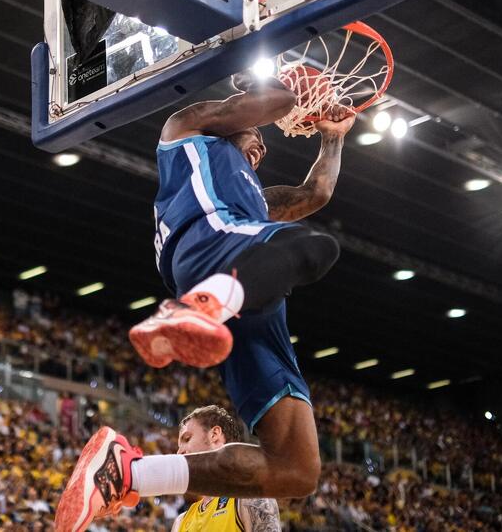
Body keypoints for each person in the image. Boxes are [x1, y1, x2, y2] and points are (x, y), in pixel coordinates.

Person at [57, 72, 354, 529]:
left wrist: (331, 139)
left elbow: (316, 193)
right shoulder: (186, 129)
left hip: (250, 292)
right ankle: (203, 308)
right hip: (210, 246)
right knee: (315, 247)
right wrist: (282, 83)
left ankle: (127, 472)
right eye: (255, 137)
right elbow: (275, 101)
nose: (263, 149)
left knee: (296, 469)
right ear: (234, 112)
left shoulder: (253, 196)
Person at [171, 406, 279, 532]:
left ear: (215, 435)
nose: (179, 452)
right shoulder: (180, 522)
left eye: (187, 439)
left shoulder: (250, 500)